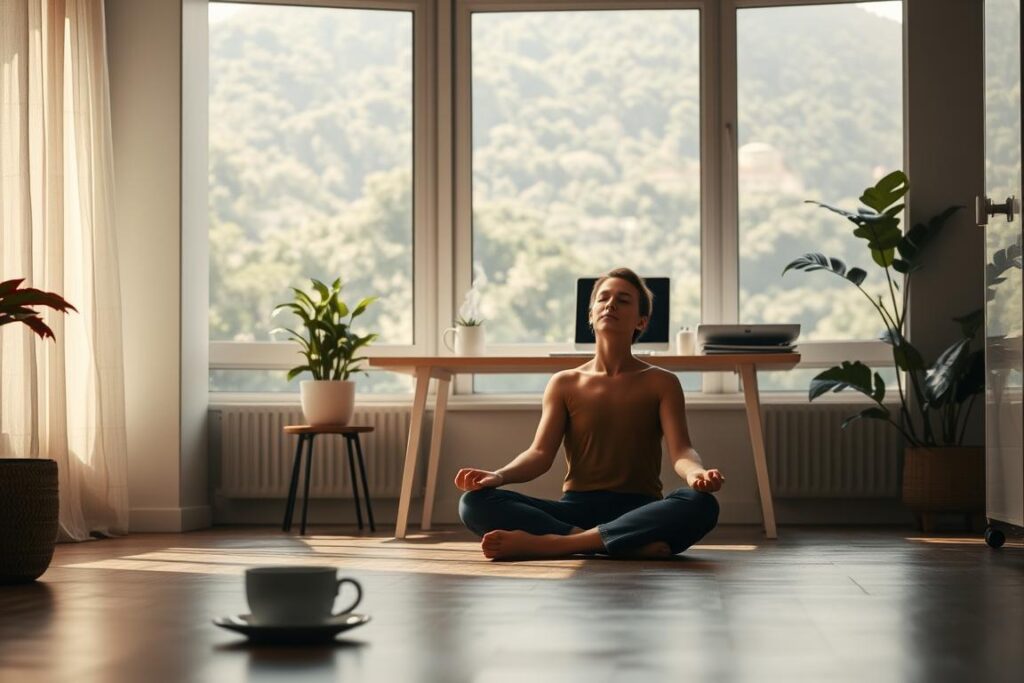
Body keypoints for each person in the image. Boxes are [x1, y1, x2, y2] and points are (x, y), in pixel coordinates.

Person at [455, 267, 723, 560]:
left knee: (701, 504)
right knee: (473, 502)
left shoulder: (662, 382)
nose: (610, 304)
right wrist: (498, 475)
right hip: (575, 510)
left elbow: (682, 450)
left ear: (641, 321)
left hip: (640, 510)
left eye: (623, 300)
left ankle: (557, 545)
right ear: (591, 315)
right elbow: (539, 454)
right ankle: (610, 542)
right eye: (603, 298)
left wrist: (696, 474)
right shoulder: (565, 382)